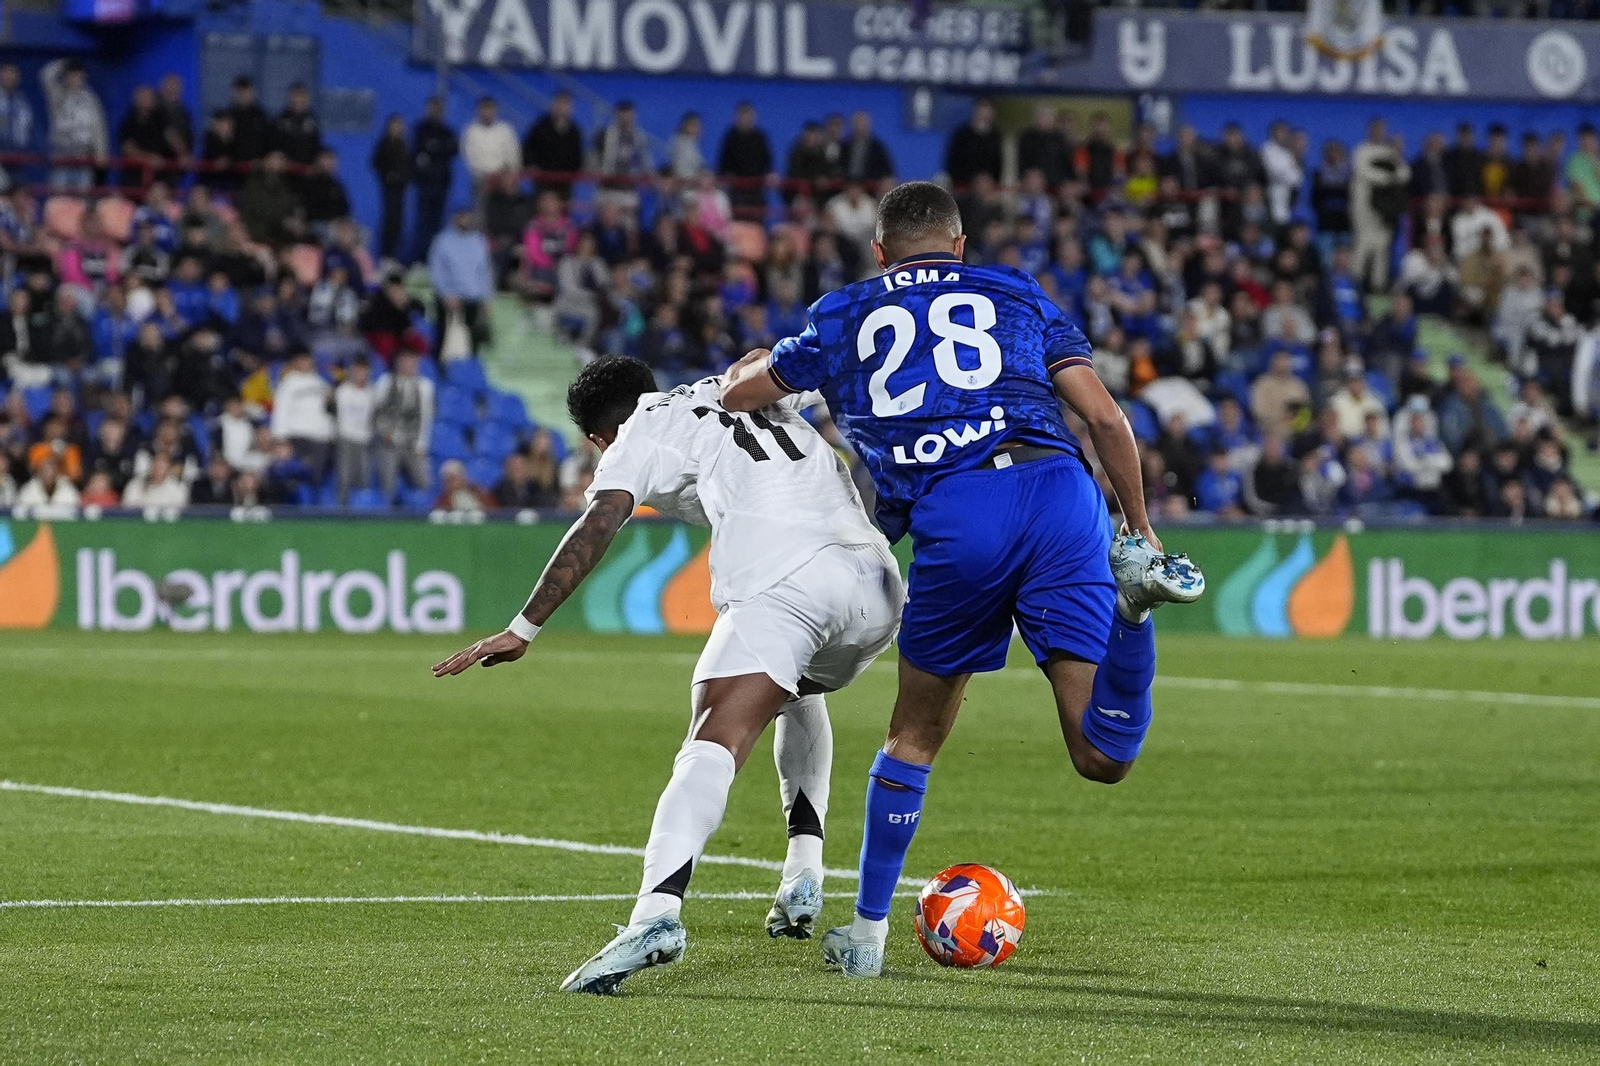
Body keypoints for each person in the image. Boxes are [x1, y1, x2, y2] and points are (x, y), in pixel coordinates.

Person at [722, 181, 1205, 978]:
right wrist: (1140, 528)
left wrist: (752, 369)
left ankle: (868, 936)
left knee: (914, 736)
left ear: (880, 253)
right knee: (1099, 753)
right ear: (959, 245)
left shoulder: (843, 311)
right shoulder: (1014, 291)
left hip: (960, 513)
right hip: (1062, 497)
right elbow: (1108, 419)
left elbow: (746, 392)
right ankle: (1135, 615)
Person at [433, 353, 903, 995]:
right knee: (791, 687)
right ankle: (804, 871)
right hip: (877, 584)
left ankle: (655, 915)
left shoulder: (639, 431)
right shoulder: (730, 387)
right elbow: (826, 376)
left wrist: (524, 627)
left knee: (712, 742)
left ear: (598, 436)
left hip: (785, 580)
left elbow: (599, 522)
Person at [428, 205, 493, 357]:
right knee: (443, 341)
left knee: (473, 342)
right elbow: (437, 270)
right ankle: (442, 372)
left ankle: (470, 371)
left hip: (472, 298)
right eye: (461, 216)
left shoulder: (477, 240)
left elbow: (484, 270)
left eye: (467, 216)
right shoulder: (443, 241)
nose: (465, 219)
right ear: (454, 218)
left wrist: (487, 296)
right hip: (449, 298)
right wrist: (445, 293)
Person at [372, 349, 434, 499]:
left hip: (412, 441)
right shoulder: (386, 382)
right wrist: (383, 431)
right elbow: (376, 410)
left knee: (424, 482)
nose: (408, 365)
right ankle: (386, 516)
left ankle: (421, 513)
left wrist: (421, 443)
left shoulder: (425, 386)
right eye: (404, 361)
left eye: (412, 361)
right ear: (398, 363)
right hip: (389, 440)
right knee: (387, 485)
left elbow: (426, 416)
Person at [40, 59, 107, 191]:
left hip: (84, 155)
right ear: (66, 76)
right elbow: (45, 76)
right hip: (62, 154)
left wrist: (101, 152)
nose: (75, 78)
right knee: (59, 194)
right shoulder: (58, 95)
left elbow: (98, 127)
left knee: (81, 197)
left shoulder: (90, 98)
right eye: (72, 75)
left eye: (78, 75)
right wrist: (64, 63)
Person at [411, 96, 458, 265]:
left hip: (442, 184)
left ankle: (435, 259)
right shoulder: (420, 129)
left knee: (437, 224)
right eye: (433, 108)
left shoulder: (447, 131)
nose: (436, 112)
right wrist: (438, 148)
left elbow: (453, 149)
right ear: (427, 109)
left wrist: (435, 148)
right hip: (425, 184)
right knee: (423, 222)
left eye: (439, 109)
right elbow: (420, 151)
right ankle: (420, 258)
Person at [522, 91, 583, 199]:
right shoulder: (540, 126)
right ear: (553, 105)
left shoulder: (574, 130)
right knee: (542, 210)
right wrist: (531, 165)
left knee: (563, 211)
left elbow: (578, 154)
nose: (562, 108)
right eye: (559, 104)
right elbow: (527, 148)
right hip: (543, 180)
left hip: (565, 182)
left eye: (565, 104)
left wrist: (575, 172)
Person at [371, 115, 412, 263]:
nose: (396, 129)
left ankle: (394, 256)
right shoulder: (384, 144)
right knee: (389, 220)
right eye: (394, 125)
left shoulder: (404, 144)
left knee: (398, 221)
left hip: (400, 189)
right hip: (388, 190)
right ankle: (385, 256)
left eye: (399, 125)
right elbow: (375, 162)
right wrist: (388, 175)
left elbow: (409, 165)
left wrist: (404, 178)